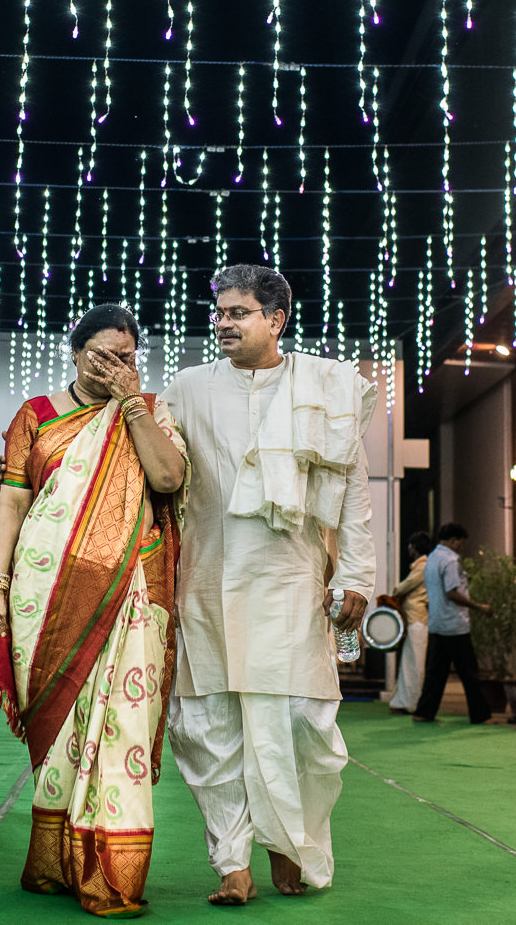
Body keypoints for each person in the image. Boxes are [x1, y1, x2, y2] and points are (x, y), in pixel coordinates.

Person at [160, 264, 376, 904]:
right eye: (219, 312)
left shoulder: (326, 386)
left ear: (276, 320)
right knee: (208, 722)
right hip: (205, 575)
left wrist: (359, 575)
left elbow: (354, 492)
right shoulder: (189, 388)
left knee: (302, 721)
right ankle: (231, 861)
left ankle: (290, 844)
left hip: (290, 576)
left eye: (238, 312)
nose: (223, 323)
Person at [0, 304, 189, 918]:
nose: (112, 367)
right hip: (44, 595)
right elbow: (14, 504)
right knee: (62, 727)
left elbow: (169, 479)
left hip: (131, 593)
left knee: (120, 726)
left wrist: (129, 404)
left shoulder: (149, 410)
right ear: (74, 353)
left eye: (124, 358)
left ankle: (113, 872)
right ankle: (55, 861)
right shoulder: (37, 416)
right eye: (100, 356)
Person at [411, 523, 493, 724]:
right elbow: (452, 593)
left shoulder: (431, 559)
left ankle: (424, 712)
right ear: (454, 540)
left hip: (437, 623)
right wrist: (480, 607)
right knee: (470, 673)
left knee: (435, 673)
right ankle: (480, 715)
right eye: (460, 542)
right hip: (455, 625)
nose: (461, 546)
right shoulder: (450, 561)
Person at [383, 532, 434, 714]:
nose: (408, 548)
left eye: (410, 545)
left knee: (414, 663)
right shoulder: (421, 566)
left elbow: (403, 587)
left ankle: (411, 702)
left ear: (415, 547)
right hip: (415, 618)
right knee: (411, 662)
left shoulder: (422, 567)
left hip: (416, 619)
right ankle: (404, 701)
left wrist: (394, 592)